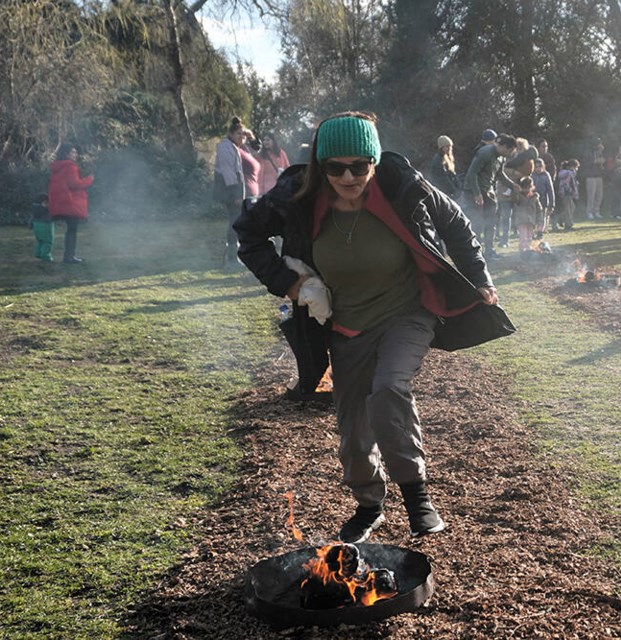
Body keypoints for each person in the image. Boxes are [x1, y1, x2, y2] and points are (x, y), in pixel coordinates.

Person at [233, 111, 514, 542]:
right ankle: (369, 505)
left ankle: (418, 498)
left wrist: (480, 279)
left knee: (388, 389)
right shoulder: (296, 197)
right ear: (320, 167)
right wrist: (291, 284)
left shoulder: (404, 186)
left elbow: (455, 223)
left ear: (374, 161)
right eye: (335, 167)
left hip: (407, 312)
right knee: (354, 433)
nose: (348, 176)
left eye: (360, 165)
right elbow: (248, 236)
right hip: (345, 327)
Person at [463, 133, 518, 258]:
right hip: (473, 192)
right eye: (509, 150)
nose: (510, 154)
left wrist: (512, 185)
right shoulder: (485, 153)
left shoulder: (501, 158)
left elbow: (499, 174)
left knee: (491, 222)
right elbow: (472, 173)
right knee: (477, 223)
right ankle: (476, 253)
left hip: (488, 191)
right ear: (503, 146)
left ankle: (489, 251)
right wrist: (477, 193)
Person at [48, 142, 93, 264]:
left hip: (60, 202)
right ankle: (69, 256)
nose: (75, 154)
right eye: (73, 152)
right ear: (67, 154)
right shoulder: (70, 167)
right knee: (72, 231)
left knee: (69, 230)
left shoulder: (57, 167)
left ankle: (66, 256)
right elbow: (75, 184)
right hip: (70, 203)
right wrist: (89, 180)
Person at [214, 117, 249, 265]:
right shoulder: (225, 147)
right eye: (239, 134)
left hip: (234, 190)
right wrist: (236, 195)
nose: (242, 137)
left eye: (243, 134)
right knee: (234, 222)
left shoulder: (233, 146)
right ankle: (231, 258)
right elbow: (229, 172)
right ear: (231, 134)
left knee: (236, 221)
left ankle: (234, 256)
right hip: (230, 191)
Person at [513, 176, 542, 254]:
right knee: (523, 236)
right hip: (521, 220)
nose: (527, 190)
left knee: (529, 236)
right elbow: (515, 201)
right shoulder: (519, 196)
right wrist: (516, 192)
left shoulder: (535, 197)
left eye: (529, 187)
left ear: (532, 187)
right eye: (525, 187)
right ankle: (523, 250)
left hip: (531, 220)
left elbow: (539, 210)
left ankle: (528, 249)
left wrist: (539, 221)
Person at [531, 158, 555, 235]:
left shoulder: (546, 175)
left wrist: (551, 204)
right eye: (536, 166)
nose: (538, 168)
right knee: (533, 216)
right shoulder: (531, 175)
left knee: (542, 216)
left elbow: (550, 190)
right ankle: (531, 231)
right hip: (532, 199)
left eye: (540, 166)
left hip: (543, 199)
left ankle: (540, 231)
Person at [585, 137, 606, 219]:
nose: (601, 145)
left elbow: (602, 161)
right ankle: (589, 212)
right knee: (591, 195)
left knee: (599, 195)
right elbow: (589, 161)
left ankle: (596, 211)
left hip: (598, 175)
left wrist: (601, 155)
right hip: (590, 176)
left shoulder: (599, 152)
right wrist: (598, 161)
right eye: (599, 143)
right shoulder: (588, 152)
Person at [556, 159, 580, 230]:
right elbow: (570, 183)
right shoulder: (570, 173)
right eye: (576, 167)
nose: (577, 169)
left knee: (571, 207)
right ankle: (568, 225)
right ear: (572, 166)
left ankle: (560, 218)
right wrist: (572, 192)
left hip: (564, 192)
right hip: (567, 193)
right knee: (569, 209)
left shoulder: (565, 173)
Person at [29, 192, 53, 262]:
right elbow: (51, 216)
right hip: (46, 225)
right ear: (44, 202)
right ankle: (46, 256)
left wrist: (30, 226)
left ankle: (38, 253)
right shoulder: (45, 209)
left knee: (40, 241)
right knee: (47, 241)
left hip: (36, 226)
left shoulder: (35, 208)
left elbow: (31, 218)